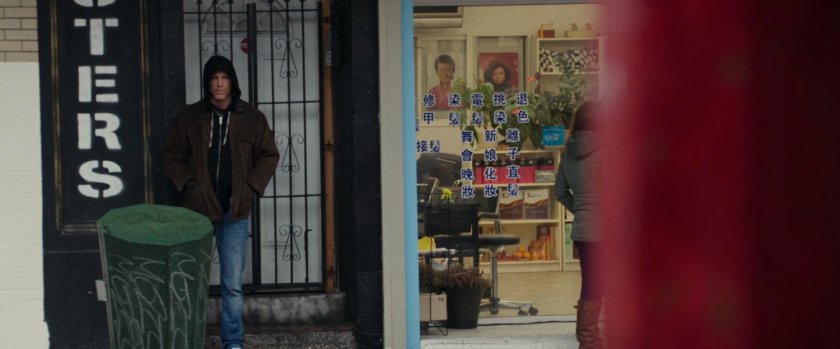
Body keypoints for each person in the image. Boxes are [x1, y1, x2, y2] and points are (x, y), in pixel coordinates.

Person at [164, 55, 279, 349]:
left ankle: (233, 342)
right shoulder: (189, 118)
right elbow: (172, 156)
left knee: (231, 284)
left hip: (234, 213)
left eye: (224, 78)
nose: (218, 84)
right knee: (191, 280)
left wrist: (251, 187)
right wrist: (190, 184)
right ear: (207, 83)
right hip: (196, 213)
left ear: (232, 82)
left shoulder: (251, 118)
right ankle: (189, 338)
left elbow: (268, 154)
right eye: (213, 78)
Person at [554, 101, 604, 349]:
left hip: (584, 229)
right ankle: (590, 340)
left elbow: (560, 192)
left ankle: (588, 338)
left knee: (592, 282)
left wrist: (582, 210)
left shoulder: (567, 154)